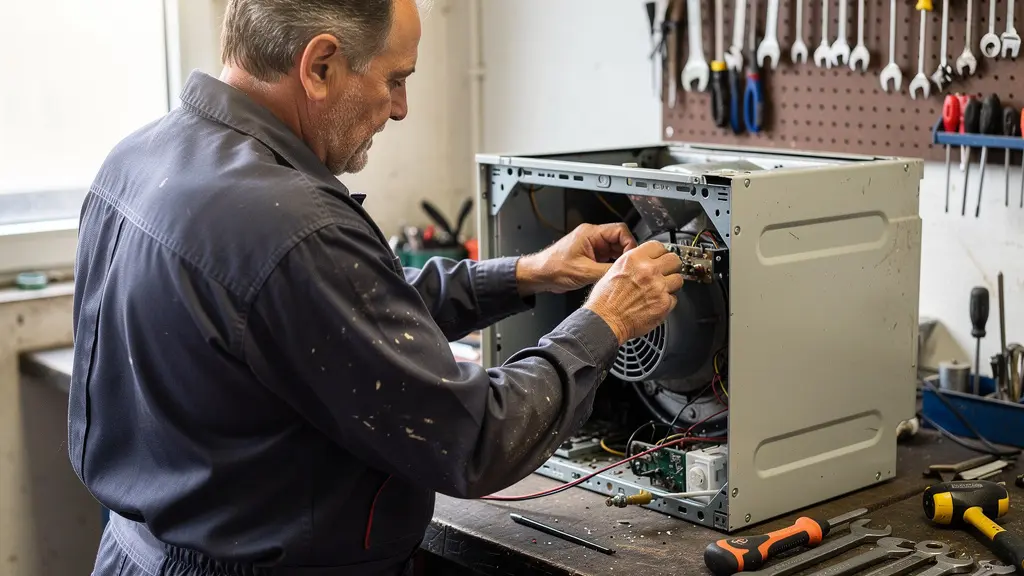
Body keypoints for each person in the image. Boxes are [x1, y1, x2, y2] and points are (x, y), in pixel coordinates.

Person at [69, 0, 684, 574]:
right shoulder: (290, 224)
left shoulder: (139, 158)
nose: (400, 108)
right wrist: (605, 321)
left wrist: (524, 274)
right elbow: (475, 442)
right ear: (321, 65)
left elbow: (337, 320)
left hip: (135, 553)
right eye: (395, 78)